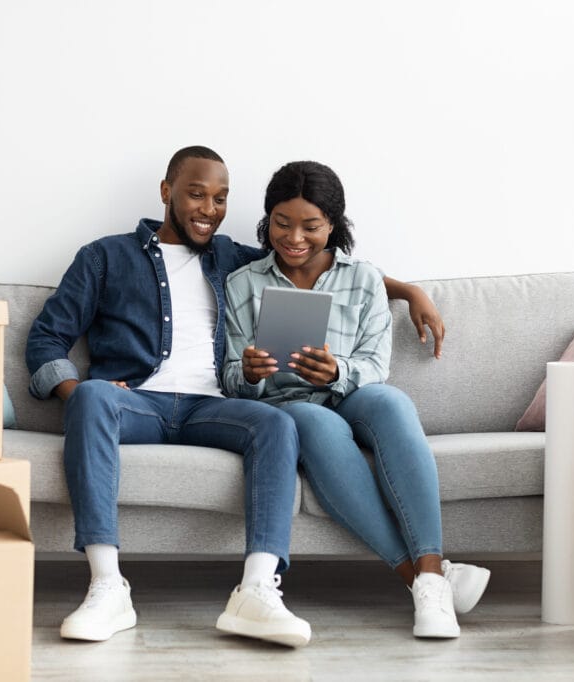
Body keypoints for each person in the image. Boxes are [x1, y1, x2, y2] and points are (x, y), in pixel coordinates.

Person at [25, 147, 447, 648]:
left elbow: (315, 259)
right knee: (92, 398)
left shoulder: (230, 257)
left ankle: (257, 590)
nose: (209, 209)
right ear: (166, 192)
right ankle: (107, 587)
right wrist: (78, 392)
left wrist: (409, 291)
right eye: (196, 194)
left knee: (278, 423)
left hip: (212, 406)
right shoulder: (105, 257)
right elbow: (44, 339)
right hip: (135, 401)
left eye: (220, 198)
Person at [222, 160, 490, 639]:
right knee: (312, 420)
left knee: (391, 402)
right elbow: (228, 378)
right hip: (289, 405)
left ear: (334, 225)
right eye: (282, 223)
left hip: (350, 394)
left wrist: (337, 370)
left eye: (311, 226)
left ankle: (430, 573)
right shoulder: (243, 283)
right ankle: (424, 584)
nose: (295, 238)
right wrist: (249, 373)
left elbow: (374, 365)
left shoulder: (363, 278)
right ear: (266, 220)